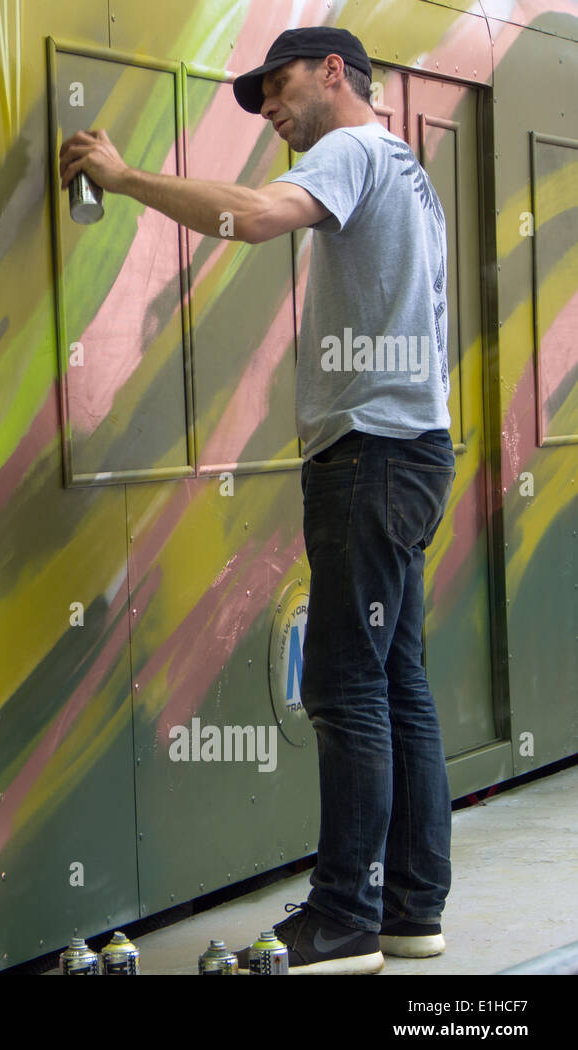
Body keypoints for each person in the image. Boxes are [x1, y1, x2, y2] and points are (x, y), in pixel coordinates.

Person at [58, 27, 456, 974]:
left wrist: (126, 178)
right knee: (398, 682)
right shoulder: (407, 167)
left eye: (277, 86)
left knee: (344, 685)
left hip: (370, 456)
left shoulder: (350, 151)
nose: (268, 108)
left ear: (334, 72)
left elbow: (257, 215)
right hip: (413, 450)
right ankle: (411, 909)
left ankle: (344, 916)